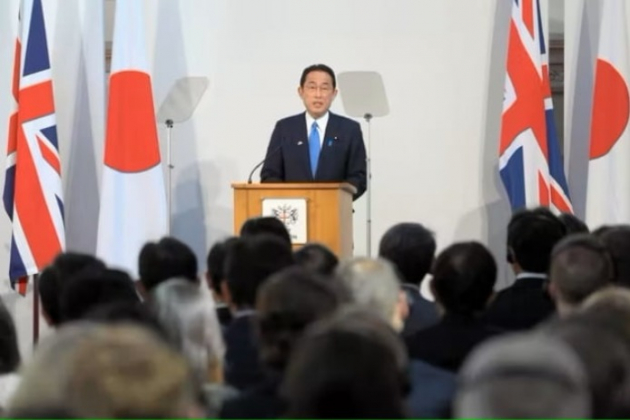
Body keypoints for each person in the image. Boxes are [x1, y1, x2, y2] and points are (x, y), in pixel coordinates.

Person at [260, 64, 367, 199]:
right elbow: (270, 175)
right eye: (312, 87)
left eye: (324, 88)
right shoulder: (285, 128)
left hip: (335, 212)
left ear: (334, 93)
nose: (318, 95)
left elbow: (359, 177)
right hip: (292, 211)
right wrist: (289, 199)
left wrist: (338, 198)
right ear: (301, 92)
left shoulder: (349, 129)